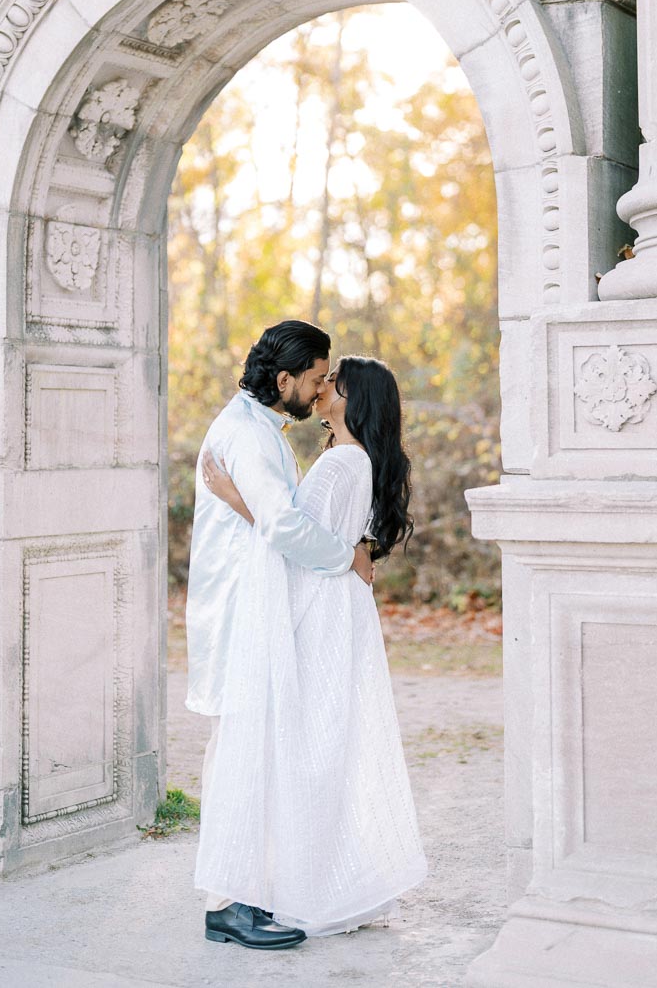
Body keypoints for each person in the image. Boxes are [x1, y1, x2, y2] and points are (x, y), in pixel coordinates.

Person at [197, 355, 427, 941]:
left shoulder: (339, 464)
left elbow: (294, 541)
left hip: (315, 614)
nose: (324, 389)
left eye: (334, 383)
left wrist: (230, 496)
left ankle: (287, 887)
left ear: (353, 401)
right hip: (337, 609)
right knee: (319, 747)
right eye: (322, 379)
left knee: (301, 748)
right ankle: (287, 883)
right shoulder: (350, 459)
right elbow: (327, 536)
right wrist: (356, 549)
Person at [186, 321, 374, 951]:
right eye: (317, 379)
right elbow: (285, 526)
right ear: (285, 379)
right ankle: (229, 902)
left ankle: (237, 895)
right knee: (240, 750)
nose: (321, 391)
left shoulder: (260, 430)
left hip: (256, 606)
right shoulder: (248, 434)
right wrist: (346, 557)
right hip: (244, 612)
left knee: (244, 750)